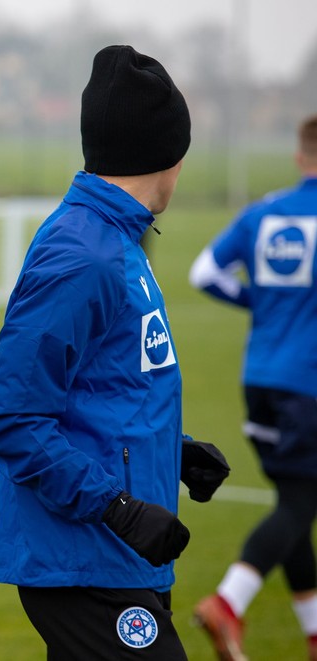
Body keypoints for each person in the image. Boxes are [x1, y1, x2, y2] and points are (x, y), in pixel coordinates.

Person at [0, 45, 231, 660]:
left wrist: (171, 452)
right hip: (86, 561)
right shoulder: (82, 256)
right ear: (166, 154)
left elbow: (105, 394)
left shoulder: (117, 244)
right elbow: (10, 419)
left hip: (116, 560)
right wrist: (118, 507)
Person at [189, 113, 317, 661]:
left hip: (259, 379)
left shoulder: (263, 213)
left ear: (299, 156)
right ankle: (227, 601)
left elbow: (203, 273)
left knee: (295, 504)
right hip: (309, 385)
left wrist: (259, 304)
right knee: (299, 504)